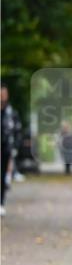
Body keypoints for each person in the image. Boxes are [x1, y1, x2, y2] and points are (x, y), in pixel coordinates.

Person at [1, 84, 22, 216]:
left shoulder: (11, 113)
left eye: (4, 93)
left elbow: (17, 132)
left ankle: (1, 202)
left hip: (5, 148)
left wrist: (15, 148)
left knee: (2, 176)